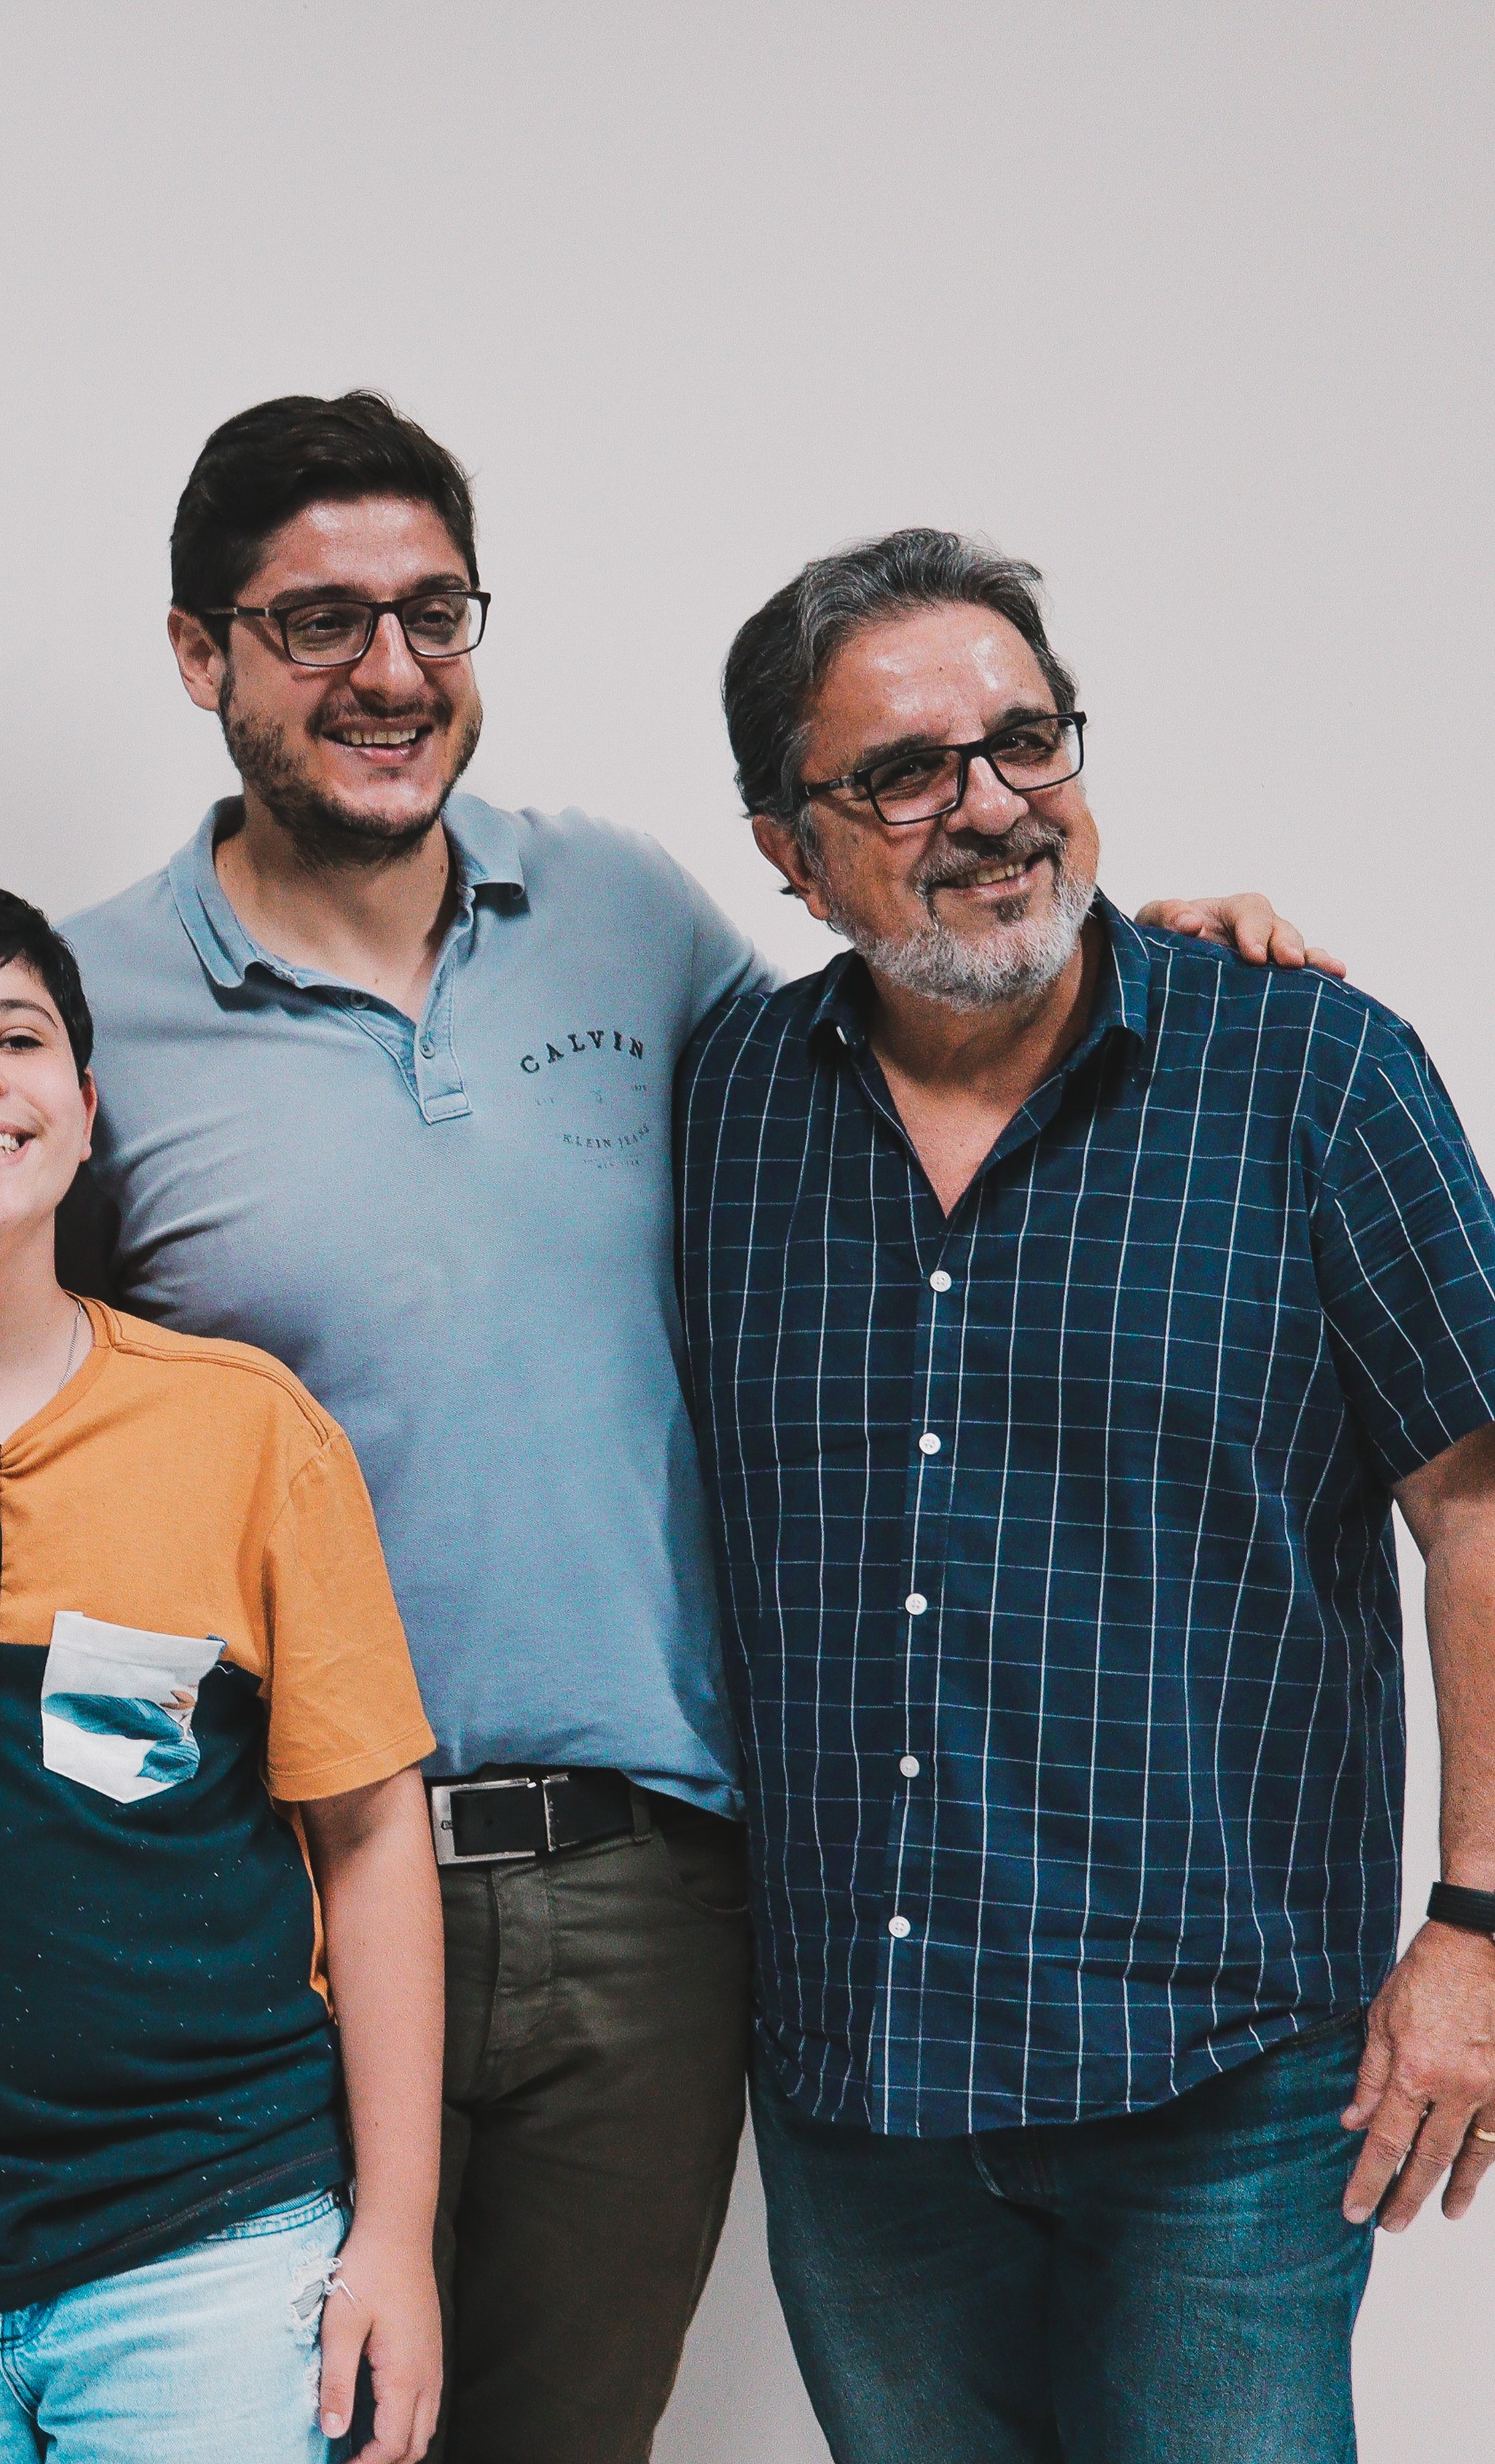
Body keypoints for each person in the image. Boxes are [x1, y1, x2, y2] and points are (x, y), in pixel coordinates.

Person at [52, 390, 1327, 2460]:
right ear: (200, 654)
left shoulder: (626, 918)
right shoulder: (82, 1008)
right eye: (316, 622)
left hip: (641, 1901)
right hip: (276, 1884)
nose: (388, 669)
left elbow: (903, 1021)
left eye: (431, 610)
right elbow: (35, 1458)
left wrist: (1142, 959)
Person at [679, 527, 1495, 2464]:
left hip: (1219, 2083)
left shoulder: (1308, 1070)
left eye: (1024, 739)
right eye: (904, 772)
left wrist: (1474, 1922)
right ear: (788, 851)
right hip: (858, 2085)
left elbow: (1476, 1502)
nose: (990, 805)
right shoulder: (721, 1104)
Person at [0, 884, 447, 2463]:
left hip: (208, 2239)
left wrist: (395, 2236)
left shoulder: (245, 1427)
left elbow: (369, 1836)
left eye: (17, 1038)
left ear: (82, 1108)